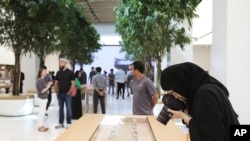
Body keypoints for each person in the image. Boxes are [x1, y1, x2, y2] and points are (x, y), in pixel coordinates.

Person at [160, 62, 240, 141]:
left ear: (181, 84)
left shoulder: (205, 94)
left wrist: (185, 117)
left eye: (174, 92)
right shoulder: (207, 89)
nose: (176, 96)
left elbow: (211, 135)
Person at [54, 58, 75, 129]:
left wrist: (69, 92)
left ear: (65, 63)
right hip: (60, 94)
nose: (60, 64)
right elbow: (56, 82)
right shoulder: (58, 72)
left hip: (67, 94)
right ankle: (61, 123)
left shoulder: (70, 72)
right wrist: (56, 91)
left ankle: (69, 123)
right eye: (60, 63)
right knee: (60, 108)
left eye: (61, 63)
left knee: (69, 108)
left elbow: (73, 83)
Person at [36, 68, 53, 132]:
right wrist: (48, 86)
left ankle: (41, 125)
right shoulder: (39, 80)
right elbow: (42, 91)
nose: (46, 72)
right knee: (41, 113)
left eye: (46, 71)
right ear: (41, 72)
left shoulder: (42, 80)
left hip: (44, 98)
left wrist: (48, 85)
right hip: (42, 98)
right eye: (44, 71)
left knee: (42, 113)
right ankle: (40, 126)